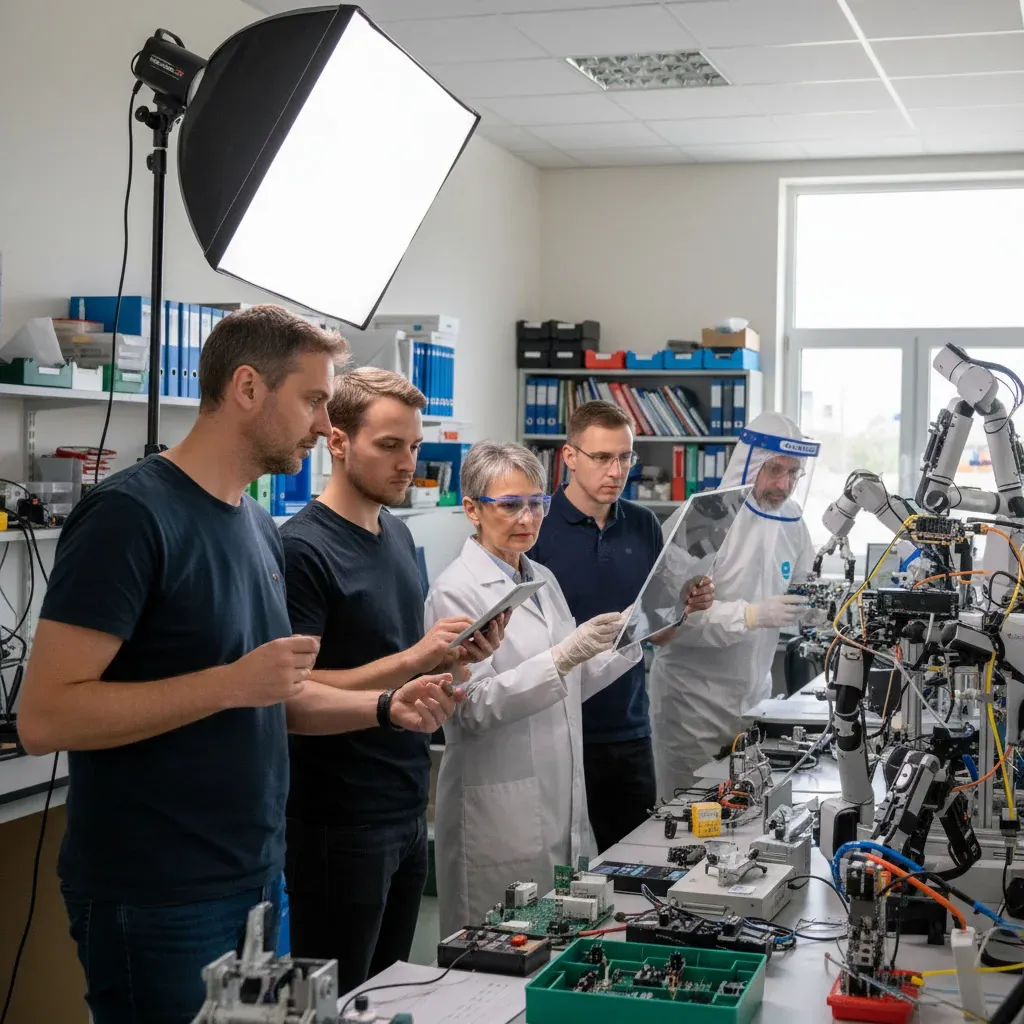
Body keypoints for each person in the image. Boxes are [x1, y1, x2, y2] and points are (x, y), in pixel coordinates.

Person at [15, 306, 463, 1024]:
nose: (325, 425)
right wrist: (229, 683)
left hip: (254, 876)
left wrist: (385, 706)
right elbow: (44, 719)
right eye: (313, 400)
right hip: (158, 891)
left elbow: (274, 698)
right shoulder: (129, 514)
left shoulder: (255, 523)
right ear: (249, 388)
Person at [280, 368, 506, 993]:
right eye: (389, 446)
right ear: (338, 441)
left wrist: (454, 659)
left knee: (388, 993)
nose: (409, 463)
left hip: (406, 805)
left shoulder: (397, 535)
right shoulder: (302, 550)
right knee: (337, 997)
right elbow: (294, 694)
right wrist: (415, 658)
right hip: (339, 818)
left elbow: (403, 670)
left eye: (414, 446)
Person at [425, 441, 661, 938]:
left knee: (558, 945)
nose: (527, 518)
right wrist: (563, 655)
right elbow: (470, 709)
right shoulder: (455, 590)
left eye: (537, 503)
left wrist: (629, 638)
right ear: (472, 509)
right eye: (510, 505)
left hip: (558, 801)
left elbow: (568, 683)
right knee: (494, 952)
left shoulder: (541, 578)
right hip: (498, 813)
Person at [529, 400, 714, 852]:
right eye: (601, 457)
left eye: (625, 457)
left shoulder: (644, 524)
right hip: (557, 727)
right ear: (569, 457)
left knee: (634, 860)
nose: (616, 471)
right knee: (561, 868)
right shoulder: (536, 526)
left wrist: (682, 607)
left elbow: (657, 633)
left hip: (629, 728)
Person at [649, 410, 819, 797]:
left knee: (741, 813)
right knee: (689, 812)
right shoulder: (703, 520)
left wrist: (813, 609)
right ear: (750, 464)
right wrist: (750, 615)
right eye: (775, 470)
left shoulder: (792, 519)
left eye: (794, 473)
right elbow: (663, 619)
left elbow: (803, 587)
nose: (784, 484)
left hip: (754, 700)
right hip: (691, 706)